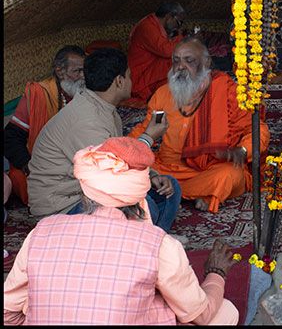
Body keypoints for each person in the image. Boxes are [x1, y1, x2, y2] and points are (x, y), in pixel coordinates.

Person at [4, 137, 239, 325]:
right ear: (140, 195)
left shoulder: (41, 232)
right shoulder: (159, 245)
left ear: (85, 189)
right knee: (224, 313)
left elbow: (7, 312)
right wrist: (216, 273)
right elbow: (202, 315)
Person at [26, 48, 182, 234]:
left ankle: (151, 239)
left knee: (169, 188)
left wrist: (153, 176)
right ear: (119, 81)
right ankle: (146, 243)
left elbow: (117, 158)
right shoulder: (86, 119)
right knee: (143, 205)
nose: (132, 81)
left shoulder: (101, 107)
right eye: (129, 76)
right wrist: (148, 138)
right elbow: (111, 173)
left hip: (89, 191)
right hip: (64, 206)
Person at [129, 37, 270, 213]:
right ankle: (189, 192)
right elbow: (147, 129)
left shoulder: (227, 91)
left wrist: (242, 150)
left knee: (231, 175)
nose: (180, 66)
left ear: (206, 62)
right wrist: (127, 151)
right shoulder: (163, 94)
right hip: (168, 168)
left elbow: (258, 129)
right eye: (176, 61)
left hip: (210, 169)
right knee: (136, 167)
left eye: (189, 61)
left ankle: (172, 192)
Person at [3, 45, 86, 205]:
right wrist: (29, 165)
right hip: (40, 166)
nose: (83, 77)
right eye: (77, 71)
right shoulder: (38, 95)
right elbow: (10, 137)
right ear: (60, 71)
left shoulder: (86, 92)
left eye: (85, 71)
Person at [128, 1, 187, 102]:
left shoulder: (153, 24)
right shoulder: (147, 27)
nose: (179, 27)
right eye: (179, 22)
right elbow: (167, 51)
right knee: (177, 61)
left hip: (148, 73)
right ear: (169, 16)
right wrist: (181, 37)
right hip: (138, 80)